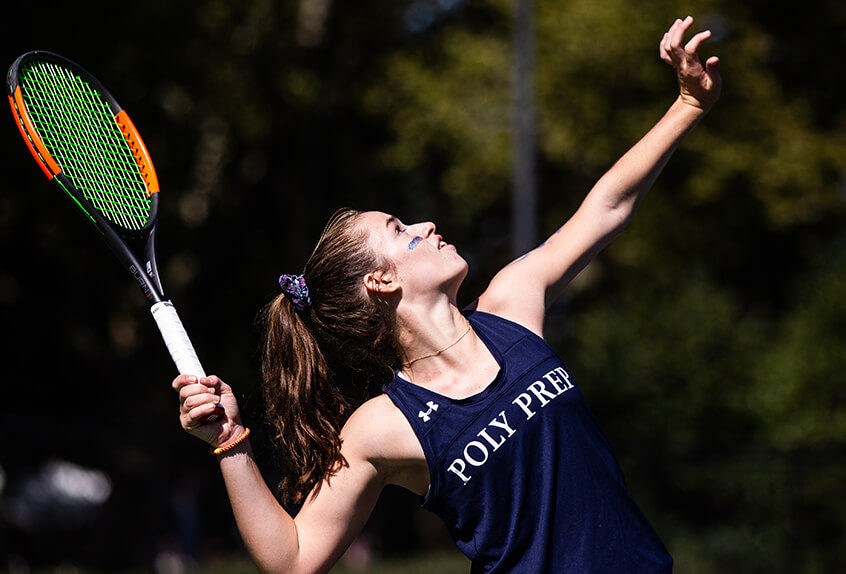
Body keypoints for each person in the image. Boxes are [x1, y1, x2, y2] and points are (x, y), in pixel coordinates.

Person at [173, 16, 721, 573]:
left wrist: (688, 106)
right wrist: (231, 441)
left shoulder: (513, 304)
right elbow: (293, 560)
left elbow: (606, 207)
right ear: (381, 282)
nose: (426, 225)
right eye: (399, 230)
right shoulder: (384, 427)